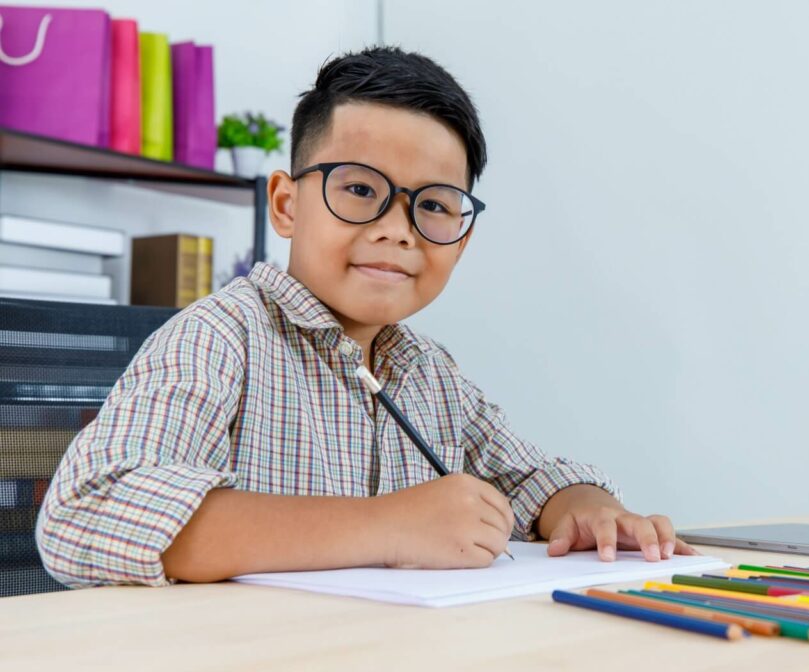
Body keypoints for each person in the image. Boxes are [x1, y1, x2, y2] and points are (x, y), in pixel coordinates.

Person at [37, 46, 694, 587]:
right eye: (359, 189)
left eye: (433, 206)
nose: (398, 231)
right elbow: (86, 512)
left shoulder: (431, 373)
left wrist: (587, 510)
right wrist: (388, 525)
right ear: (287, 205)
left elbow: (527, 478)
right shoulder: (219, 337)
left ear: (461, 240)